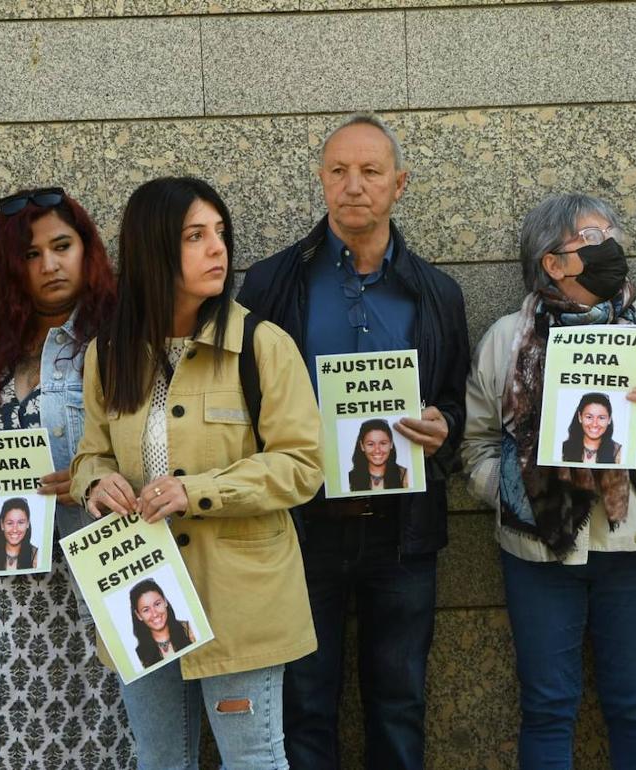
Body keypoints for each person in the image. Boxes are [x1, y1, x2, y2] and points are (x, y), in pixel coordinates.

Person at [238, 112, 469, 770]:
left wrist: (443, 426)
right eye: (338, 171)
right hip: (303, 527)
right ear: (321, 181)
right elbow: (243, 400)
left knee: (400, 705)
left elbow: (455, 399)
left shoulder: (437, 294)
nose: (354, 185)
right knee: (305, 703)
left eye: (370, 171)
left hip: (402, 531)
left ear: (400, 184)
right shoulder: (272, 286)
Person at [71, 176, 323, 770]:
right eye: (194, 236)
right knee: (160, 761)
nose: (218, 249)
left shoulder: (263, 346)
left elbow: (301, 466)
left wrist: (197, 491)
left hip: (241, 598)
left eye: (220, 233)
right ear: (152, 250)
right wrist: (94, 482)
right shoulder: (108, 354)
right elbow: (90, 453)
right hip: (141, 590)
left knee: (252, 761)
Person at [462, 193, 636, 769]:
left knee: (634, 704)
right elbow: (476, 442)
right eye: (592, 237)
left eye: (611, 233)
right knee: (548, 707)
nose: (611, 246)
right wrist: (510, 491)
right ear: (552, 262)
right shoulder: (507, 340)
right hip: (537, 552)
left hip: (633, 549)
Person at [0, 187, 135, 768]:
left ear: (86, 250)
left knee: (96, 741)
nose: (49, 265)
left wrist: (92, 472)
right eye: (31, 256)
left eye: (61, 246)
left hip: (87, 583)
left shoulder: (117, 338)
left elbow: (154, 432)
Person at [129, 578, 195, 668]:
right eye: (146, 610)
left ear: (165, 602)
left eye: (157, 604)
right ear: (138, 615)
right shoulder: (139, 654)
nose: (155, 614)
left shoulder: (190, 629)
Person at [560, 392, 623, 464]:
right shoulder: (562, 450)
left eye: (601, 418)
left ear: (609, 419)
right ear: (580, 417)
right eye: (589, 417)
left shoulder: (619, 452)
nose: (594, 424)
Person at [348, 418, 410, 491]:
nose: (377, 450)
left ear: (391, 444)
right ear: (362, 446)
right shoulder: (350, 478)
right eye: (370, 444)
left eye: (383, 443)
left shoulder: (405, 475)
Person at [0, 496, 39, 571]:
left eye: (20, 522)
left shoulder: (37, 556)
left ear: (28, 524)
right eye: (10, 523)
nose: (15, 529)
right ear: (2, 525)